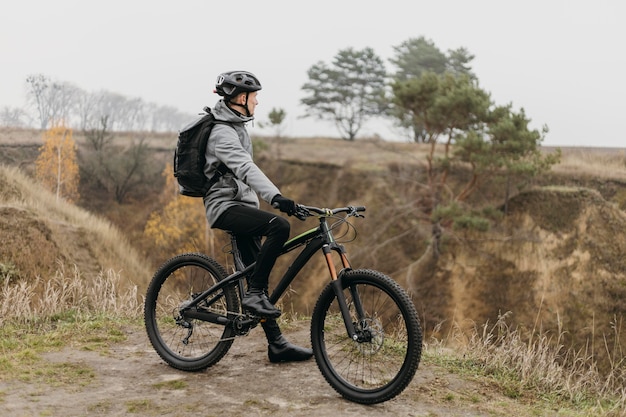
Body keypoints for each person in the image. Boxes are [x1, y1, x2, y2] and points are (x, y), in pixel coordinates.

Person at [202, 70, 313, 363]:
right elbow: (246, 169)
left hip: (241, 205)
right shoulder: (222, 133)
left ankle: (276, 344)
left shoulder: (236, 127)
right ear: (241, 98)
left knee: (254, 274)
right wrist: (276, 198)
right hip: (224, 207)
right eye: (255, 97)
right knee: (279, 226)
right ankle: (254, 294)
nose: (258, 102)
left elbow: (245, 173)